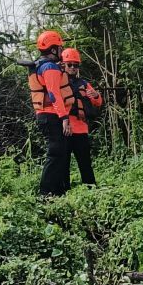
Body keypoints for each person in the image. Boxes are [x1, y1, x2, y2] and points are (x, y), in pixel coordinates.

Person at [27, 30, 74, 196]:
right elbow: (54, 94)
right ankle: (45, 192)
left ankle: (57, 191)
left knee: (59, 152)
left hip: (47, 115)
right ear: (53, 49)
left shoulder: (42, 65)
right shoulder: (49, 67)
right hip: (51, 115)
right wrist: (64, 118)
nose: (62, 50)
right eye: (60, 47)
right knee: (55, 153)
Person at [61, 48, 103, 187]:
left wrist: (96, 95)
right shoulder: (58, 81)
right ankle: (64, 189)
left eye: (75, 65)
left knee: (85, 162)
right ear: (64, 65)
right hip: (64, 129)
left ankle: (90, 186)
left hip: (81, 128)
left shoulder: (84, 84)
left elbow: (98, 102)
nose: (73, 68)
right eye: (70, 64)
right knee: (63, 162)